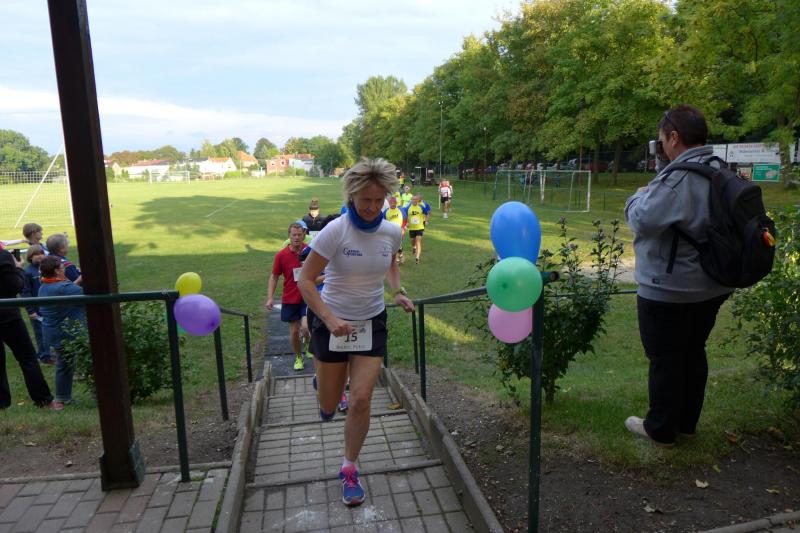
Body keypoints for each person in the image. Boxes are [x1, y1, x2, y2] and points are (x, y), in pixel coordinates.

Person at [298, 157, 414, 507]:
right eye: (366, 200)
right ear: (352, 196)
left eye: (379, 200)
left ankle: (349, 467)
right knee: (329, 405)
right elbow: (306, 280)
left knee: (361, 399)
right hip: (331, 322)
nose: (373, 207)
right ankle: (324, 385)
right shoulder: (336, 230)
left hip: (371, 322)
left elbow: (390, 263)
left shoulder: (392, 231)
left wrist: (398, 291)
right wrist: (329, 318)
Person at [623, 104, 734, 447]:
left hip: (670, 288)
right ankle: (686, 423)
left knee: (665, 359)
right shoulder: (718, 168)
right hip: (712, 285)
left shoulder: (678, 179)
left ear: (674, 138)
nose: (660, 147)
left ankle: (660, 429)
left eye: (661, 140)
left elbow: (642, 219)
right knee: (693, 352)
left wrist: (636, 196)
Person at [0, 244, 60, 410]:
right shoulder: (3, 256)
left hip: (6, 314)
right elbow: (15, 286)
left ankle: (2, 403)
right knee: (27, 358)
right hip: (7, 316)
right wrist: (18, 268)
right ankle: (43, 399)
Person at [38, 255, 85, 405]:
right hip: (66, 333)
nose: (64, 269)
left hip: (53, 331)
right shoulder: (63, 287)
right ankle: (99, 396)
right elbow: (88, 294)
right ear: (57, 271)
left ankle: (63, 397)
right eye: (62, 267)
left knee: (64, 364)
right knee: (88, 361)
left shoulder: (44, 285)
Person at [268, 222, 311, 371]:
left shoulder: (310, 251)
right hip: (290, 298)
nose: (297, 238)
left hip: (307, 297)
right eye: (294, 235)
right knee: (294, 332)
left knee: (306, 328)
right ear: (289, 236)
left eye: (299, 235)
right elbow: (274, 277)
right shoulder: (281, 255)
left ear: (303, 235)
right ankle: (299, 356)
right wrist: (270, 297)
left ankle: (307, 343)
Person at [20, 245, 51, 364]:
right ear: (30, 257)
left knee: (49, 330)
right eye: (36, 254)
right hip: (36, 309)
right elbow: (25, 292)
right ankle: (44, 356)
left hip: (48, 307)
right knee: (40, 333)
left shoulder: (46, 270)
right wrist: (31, 310)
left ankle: (49, 352)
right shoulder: (28, 272)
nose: (40, 256)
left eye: (41, 253)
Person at [404, 193, 430, 264]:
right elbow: (404, 216)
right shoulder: (408, 208)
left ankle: (417, 257)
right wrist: (406, 223)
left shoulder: (421, 207)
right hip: (412, 228)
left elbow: (427, 213)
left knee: (418, 242)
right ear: (411, 200)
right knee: (412, 241)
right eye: (413, 199)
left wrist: (426, 221)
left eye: (416, 199)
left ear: (418, 200)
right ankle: (414, 247)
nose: (414, 201)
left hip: (420, 227)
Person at [383, 195, 407, 264]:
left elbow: (405, 219)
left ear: (396, 203)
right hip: (390, 231)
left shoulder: (400, 210)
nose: (392, 204)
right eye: (391, 203)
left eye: (394, 203)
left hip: (399, 230)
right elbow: (383, 221)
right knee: (393, 245)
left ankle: (400, 255)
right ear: (389, 203)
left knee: (398, 244)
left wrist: (403, 228)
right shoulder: (386, 211)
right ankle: (397, 259)